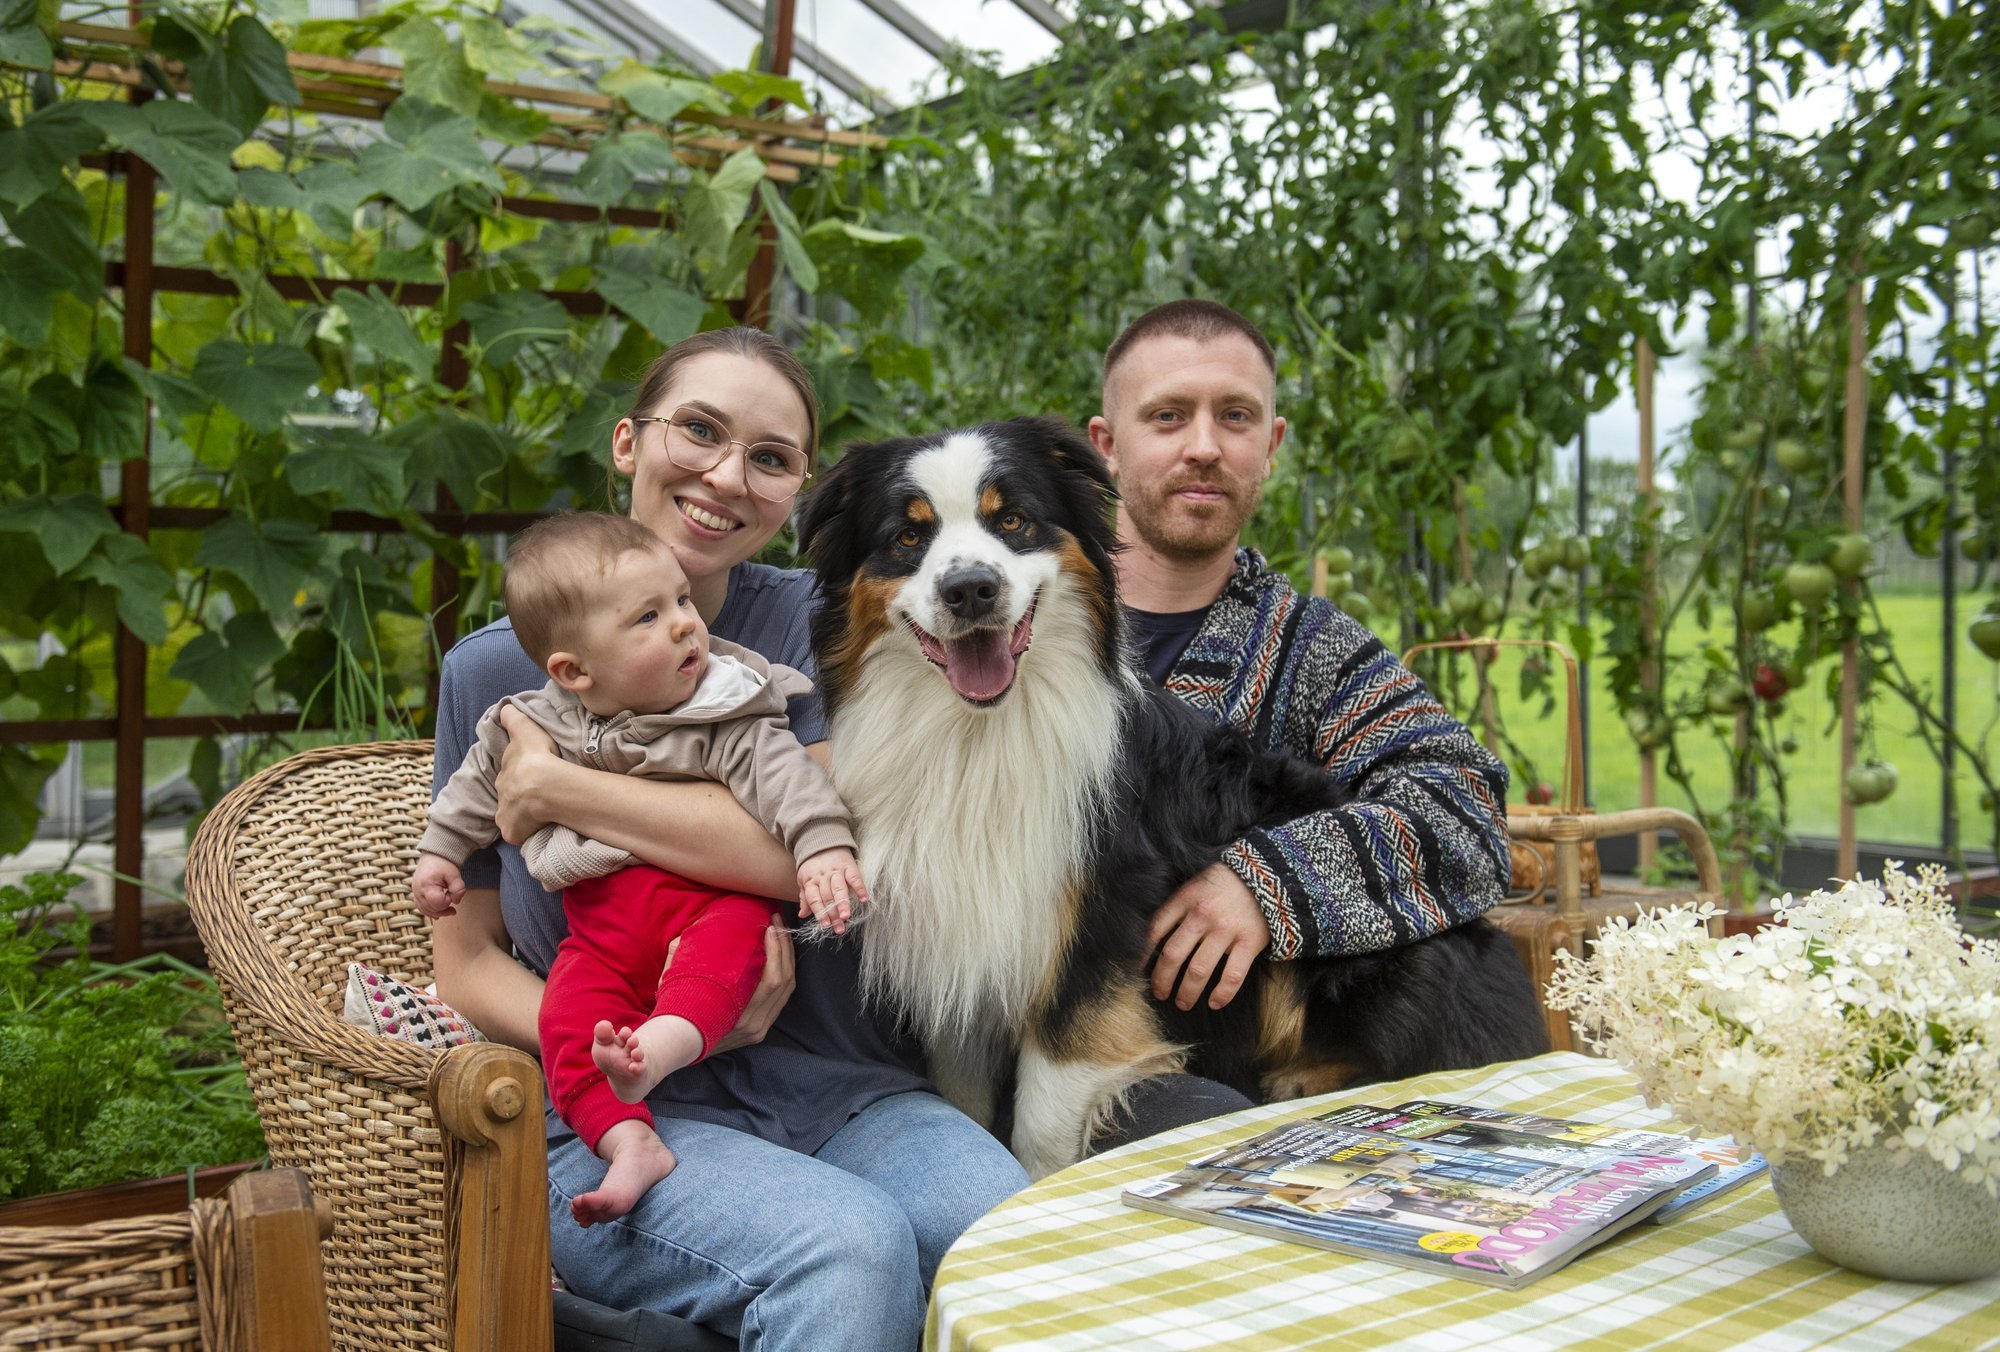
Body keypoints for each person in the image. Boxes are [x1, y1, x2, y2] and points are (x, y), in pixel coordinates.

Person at [431, 328, 1028, 1351]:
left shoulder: (831, 627)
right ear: (629, 441)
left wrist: (560, 786)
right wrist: (626, 1043)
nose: (724, 476)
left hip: (837, 1086)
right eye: (699, 431)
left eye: (769, 457)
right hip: (613, 1119)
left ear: (796, 488)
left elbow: (820, 848)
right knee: (846, 1248)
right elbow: (465, 959)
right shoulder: (496, 675)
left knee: (1009, 1233)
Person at [1084, 299, 1514, 1148]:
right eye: (1167, 416)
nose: (1204, 445)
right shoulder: (1018, 626)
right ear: (1107, 445)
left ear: (1271, 445)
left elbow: (1465, 808)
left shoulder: (1310, 650)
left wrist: (1268, 883)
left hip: (1234, 1072)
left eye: (1235, 416)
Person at [413, 512, 867, 1226]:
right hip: (601, 931)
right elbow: (474, 788)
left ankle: (653, 1053)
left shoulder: (723, 710)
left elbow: (792, 783)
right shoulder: (531, 721)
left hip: (710, 905)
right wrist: (440, 853)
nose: (686, 624)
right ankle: (627, 1139)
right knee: (566, 1017)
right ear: (573, 672)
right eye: (650, 617)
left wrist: (823, 849)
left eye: (681, 600)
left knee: (723, 954)